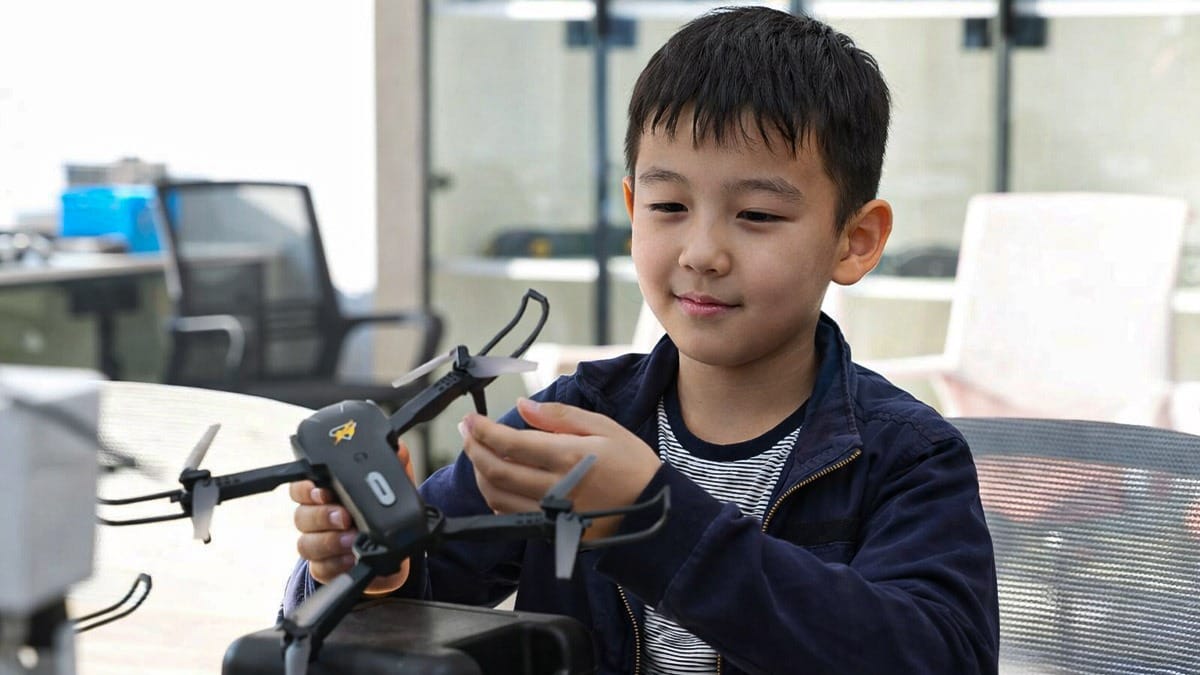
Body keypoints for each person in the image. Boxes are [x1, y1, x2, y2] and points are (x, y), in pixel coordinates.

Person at [284, 6, 999, 673]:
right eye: (669, 206)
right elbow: (368, 619)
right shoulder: (570, 421)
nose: (702, 251)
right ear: (633, 209)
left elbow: (938, 655)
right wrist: (368, 566)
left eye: (755, 214)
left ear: (855, 239)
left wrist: (651, 519)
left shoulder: (908, 456)